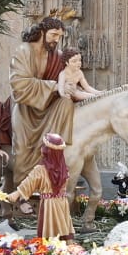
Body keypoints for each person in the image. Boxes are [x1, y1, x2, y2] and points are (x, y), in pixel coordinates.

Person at [8, 13, 76, 187]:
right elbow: (19, 84)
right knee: (23, 149)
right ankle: (22, 193)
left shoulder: (58, 56)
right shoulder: (24, 51)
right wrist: (54, 87)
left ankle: (50, 173)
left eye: (60, 37)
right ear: (42, 32)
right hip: (25, 109)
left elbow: (68, 81)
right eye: (53, 35)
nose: (56, 40)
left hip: (48, 109)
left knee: (67, 102)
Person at [5, 132, 76, 242]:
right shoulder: (64, 169)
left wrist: (16, 194)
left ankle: (51, 252)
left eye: (44, 146)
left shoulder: (40, 170)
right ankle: (69, 251)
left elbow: (29, 182)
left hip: (49, 205)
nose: (42, 149)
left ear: (48, 151)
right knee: (63, 229)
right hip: (62, 203)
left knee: (49, 232)